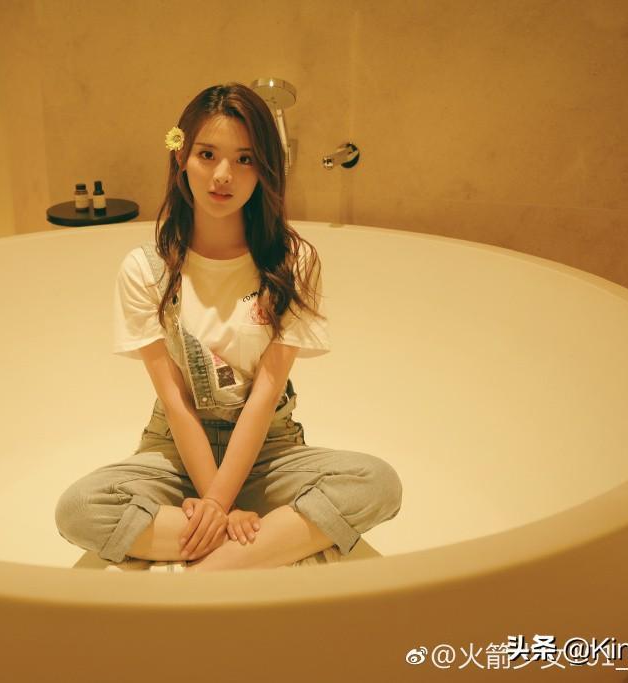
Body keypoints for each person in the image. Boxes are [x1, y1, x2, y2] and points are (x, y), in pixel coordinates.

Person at [55, 82, 402, 572]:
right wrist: (219, 505)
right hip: (176, 453)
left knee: (378, 483)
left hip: (269, 451)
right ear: (181, 158)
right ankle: (262, 546)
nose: (223, 175)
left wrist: (217, 502)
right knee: (79, 507)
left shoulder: (293, 262)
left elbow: (266, 393)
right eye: (207, 155)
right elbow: (175, 401)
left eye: (244, 159)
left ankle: (207, 569)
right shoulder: (146, 268)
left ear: (265, 169)